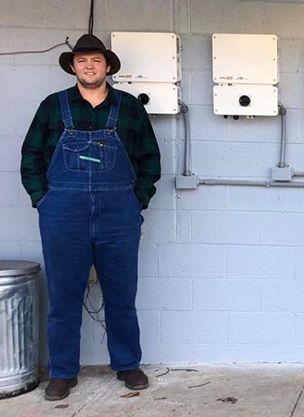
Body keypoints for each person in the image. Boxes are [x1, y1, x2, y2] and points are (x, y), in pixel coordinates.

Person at [20, 33, 161, 401]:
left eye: (96, 60)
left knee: (121, 294)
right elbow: (30, 158)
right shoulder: (53, 107)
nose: (89, 66)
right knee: (64, 297)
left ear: (107, 65)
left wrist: (137, 201)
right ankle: (63, 372)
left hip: (118, 215)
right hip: (63, 214)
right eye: (81, 60)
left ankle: (127, 364)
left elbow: (150, 159)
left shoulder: (129, 108)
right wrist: (43, 200)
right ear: (73, 66)